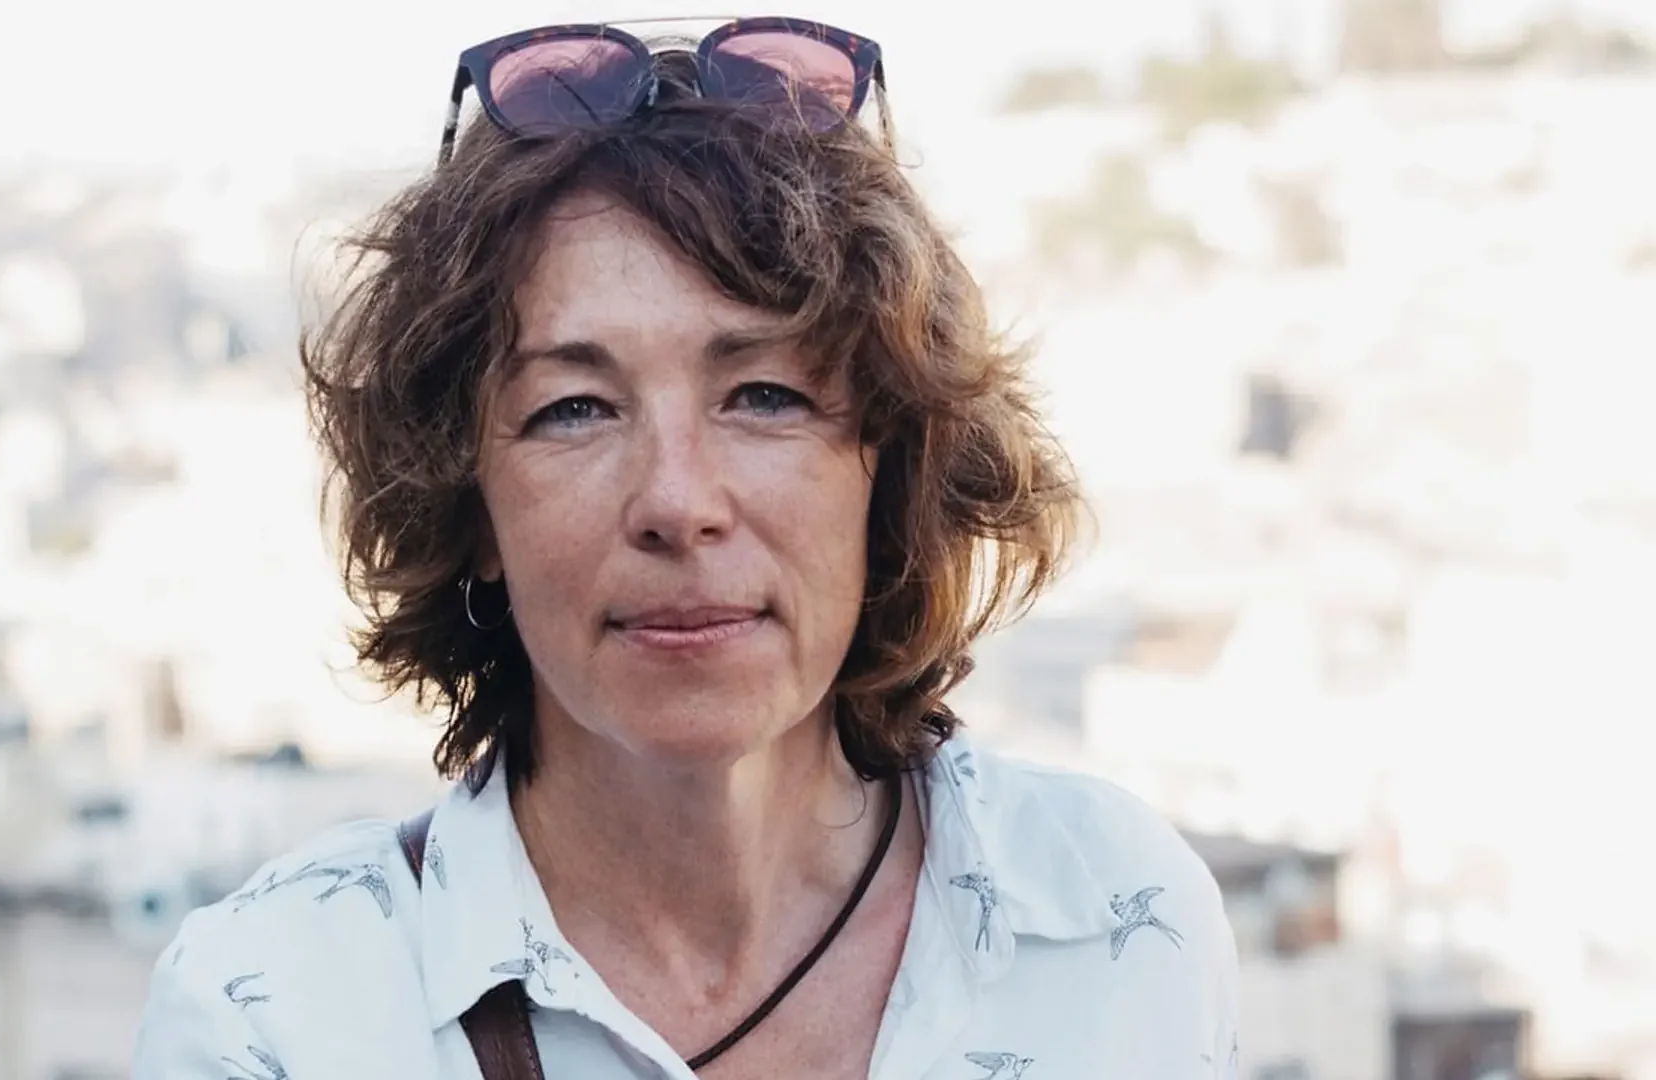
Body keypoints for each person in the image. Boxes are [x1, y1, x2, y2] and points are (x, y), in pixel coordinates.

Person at [134, 16, 1239, 1080]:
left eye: (764, 396)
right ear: (468, 508)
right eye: (573, 409)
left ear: (890, 466)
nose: (676, 500)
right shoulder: (276, 1013)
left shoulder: (1112, 923)